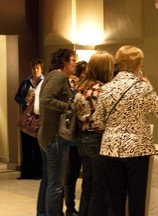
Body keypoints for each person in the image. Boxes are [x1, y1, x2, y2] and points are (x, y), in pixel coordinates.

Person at [93, 45, 158, 216]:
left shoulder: (106, 88)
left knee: (115, 198)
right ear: (137, 66)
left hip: (110, 148)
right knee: (136, 198)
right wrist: (148, 85)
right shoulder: (143, 87)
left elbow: (97, 120)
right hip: (137, 148)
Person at [37, 48, 76, 216]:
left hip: (48, 135)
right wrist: (69, 107)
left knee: (48, 180)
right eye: (73, 60)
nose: (75, 64)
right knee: (56, 184)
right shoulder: (58, 76)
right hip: (56, 137)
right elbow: (46, 99)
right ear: (65, 61)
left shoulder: (54, 76)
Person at [74, 51, 114, 216]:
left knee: (87, 185)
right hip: (97, 138)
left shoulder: (82, 87)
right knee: (100, 188)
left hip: (82, 138)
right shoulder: (102, 89)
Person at [15, 59, 44, 180]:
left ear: (41, 69)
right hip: (26, 117)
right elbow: (17, 98)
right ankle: (26, 173)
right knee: (26, 146)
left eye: (37, 68)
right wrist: (25, 99)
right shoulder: (25, 83)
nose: (35, 70)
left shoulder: (45, 82)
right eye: (33, 68)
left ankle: (38, 172)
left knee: (37, 146)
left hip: (38, 118)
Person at [64, 61, 87, 216]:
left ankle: (84, 207)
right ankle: (70, 207)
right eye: (85, 72)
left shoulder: (88, 88)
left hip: (84, 139)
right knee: (71, 174)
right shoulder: (73, 89)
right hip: (73, 139)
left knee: (87, 176)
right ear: (80, 73)